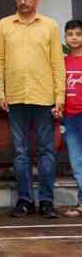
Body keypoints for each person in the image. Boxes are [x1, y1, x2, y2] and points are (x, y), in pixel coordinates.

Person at [0, 0, 65, 220]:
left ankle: (46, 201)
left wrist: (60, 97)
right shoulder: (3, 25)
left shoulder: (50, 26)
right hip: (14, 98)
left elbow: (58, 63)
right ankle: (24, 200)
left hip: (44, 97)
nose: (23, 1)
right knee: (20, 151)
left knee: (47, 150)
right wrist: (0, 93)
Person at [62, 19, 82, 217]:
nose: (74, 37)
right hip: (70, 117)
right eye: (70, 34)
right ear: (65, 37)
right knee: (77, 163)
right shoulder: (62, 62)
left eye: (78, 33)